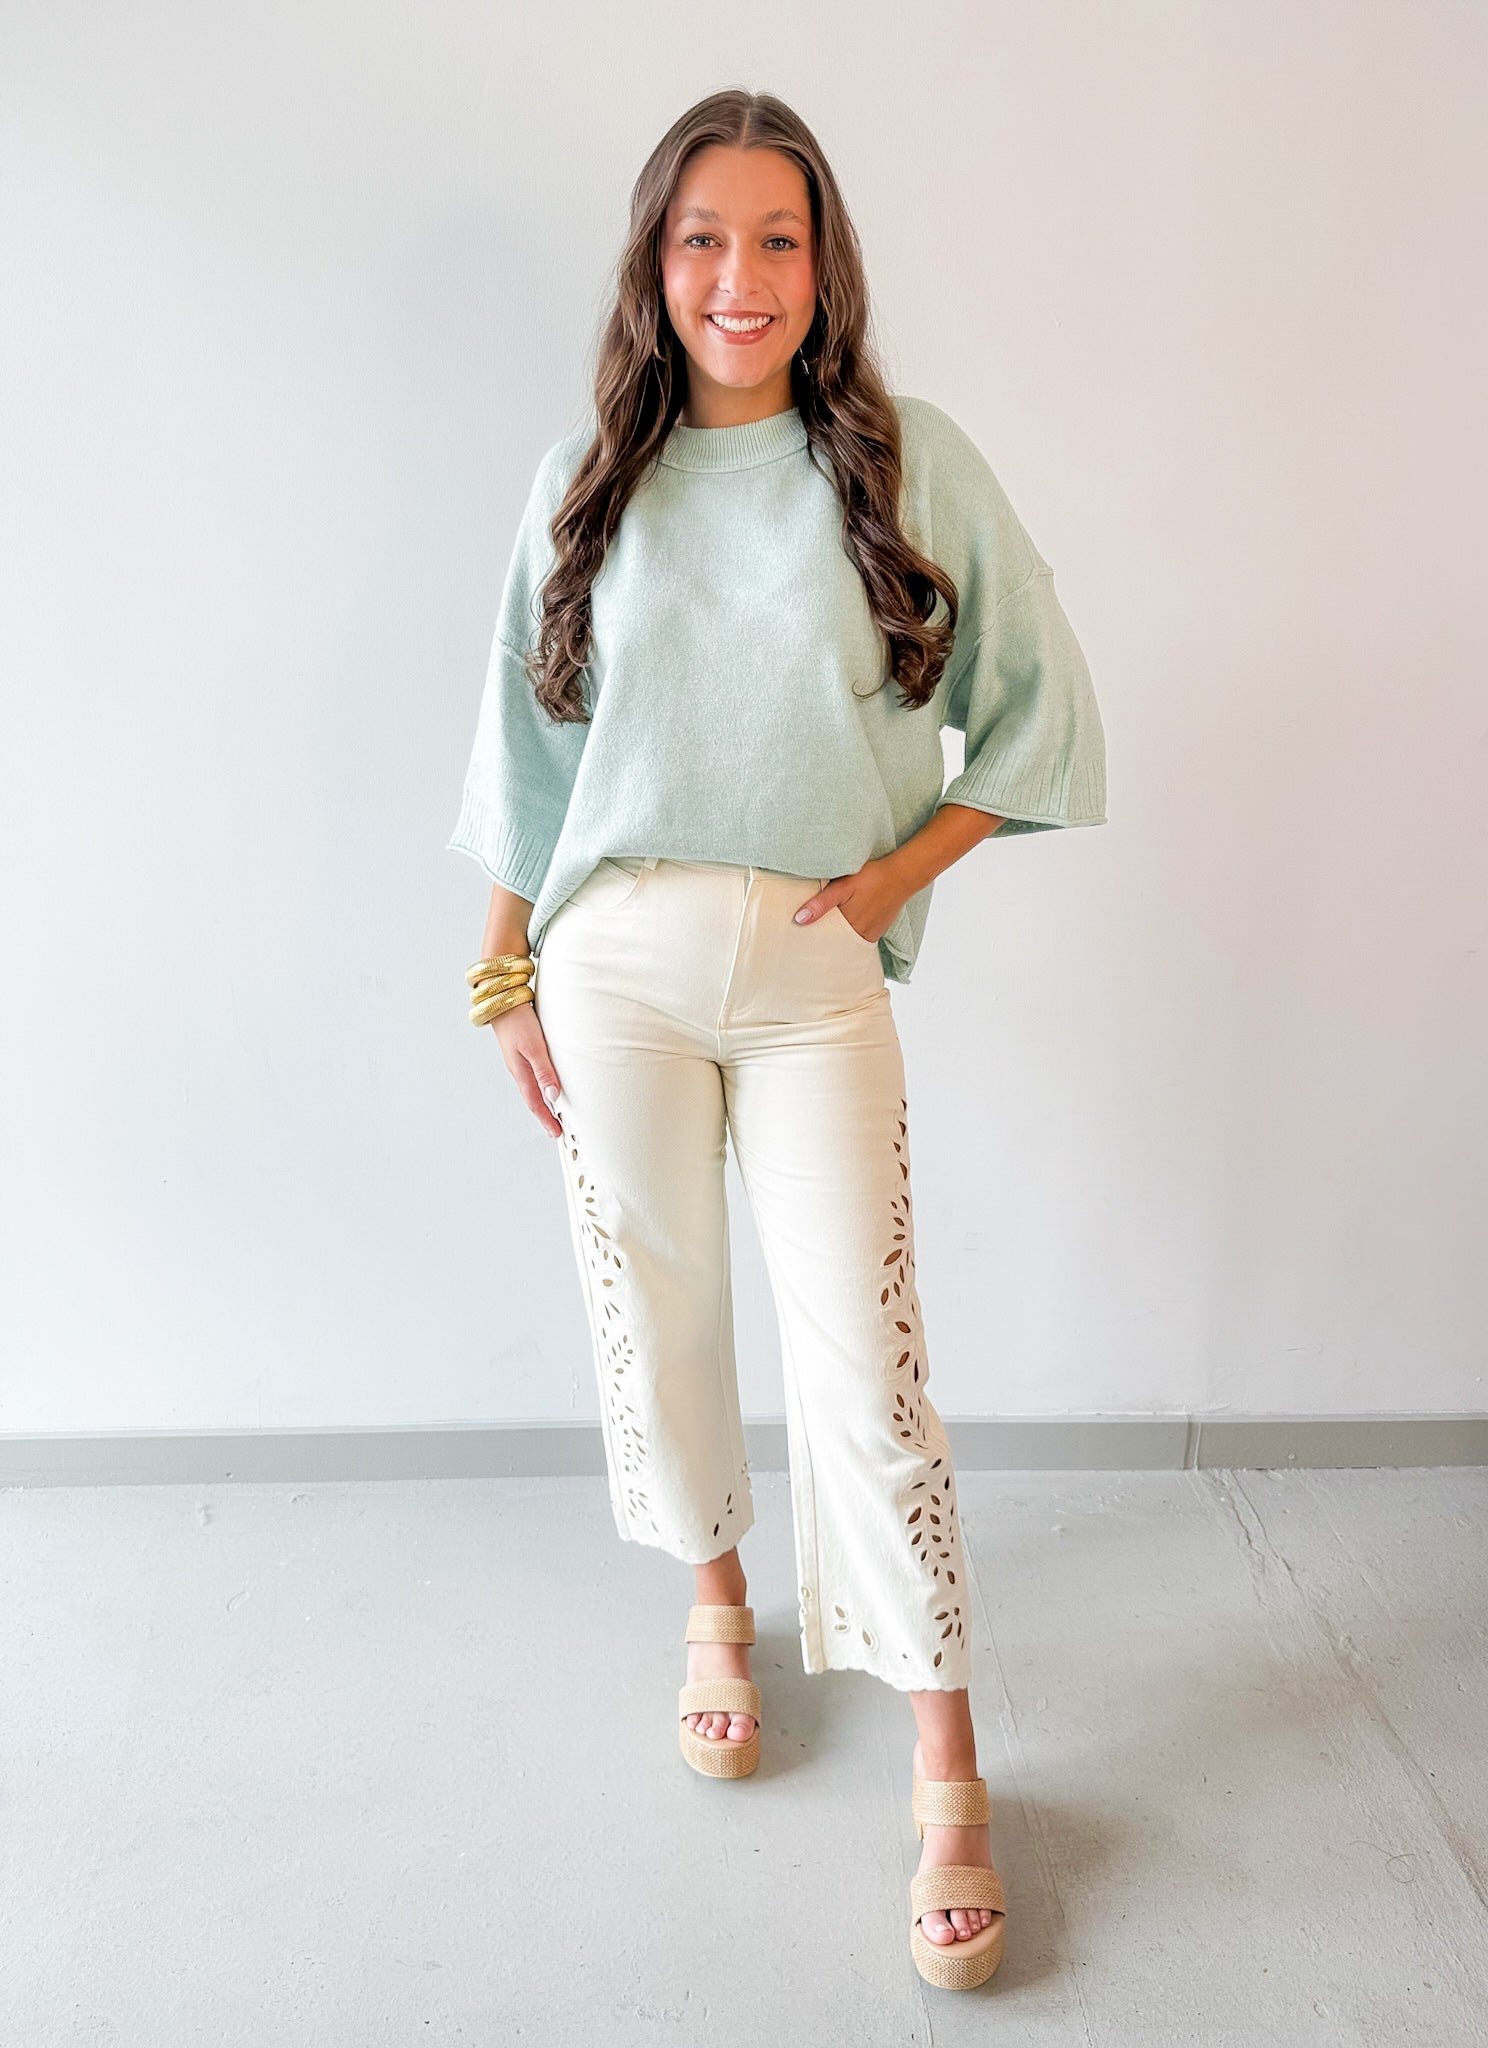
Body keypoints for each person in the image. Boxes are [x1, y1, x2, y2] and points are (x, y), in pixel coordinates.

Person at [447, 88, 1106, 1993]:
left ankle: (949, 1763)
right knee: (653, 1311)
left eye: (778, 239)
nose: (740, 277)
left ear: (825, 266)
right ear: (655, 265)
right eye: (702, 239)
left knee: (867, 1370)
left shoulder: (905, 462)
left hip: (816, 975)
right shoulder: (591, 476)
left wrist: (891, 875)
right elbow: (529, 748)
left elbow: (1040, 711)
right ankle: (719, 1607)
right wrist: (501, 971)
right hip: (615, 966)